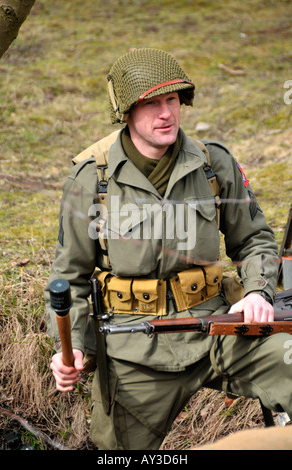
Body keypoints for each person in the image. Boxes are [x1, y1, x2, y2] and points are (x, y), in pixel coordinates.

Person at [45, 48, 292, 450]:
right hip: (133, 351)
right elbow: (68, 278)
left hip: (218, 329)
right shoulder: (92, 178)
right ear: (126, 112)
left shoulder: (214, 164)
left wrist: (256, 291)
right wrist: (68, 350)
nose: (167, 114)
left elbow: (253, 240)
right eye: (152, 104)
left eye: (172, 100)